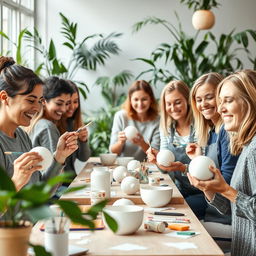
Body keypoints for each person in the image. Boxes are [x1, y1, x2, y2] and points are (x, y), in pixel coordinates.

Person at [188, 70, 256, 256]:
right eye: (221, 102)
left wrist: (226, 190)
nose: (220, 109)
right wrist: (207, 187)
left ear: (249, 101)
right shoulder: (247, 146)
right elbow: (232, 208)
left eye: (228, 100)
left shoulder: (254, 149)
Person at [0, 56, 78, 191]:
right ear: (5, 98)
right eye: (30, 100)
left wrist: (59, 156)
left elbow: (40, 192)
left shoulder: (22, 136)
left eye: (40, 101)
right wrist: (16, 183)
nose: (37, 108)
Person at [187, 72, 239, 219]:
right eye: (198, 100)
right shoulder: (211, 132)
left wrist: (200, 173)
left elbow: (227, 182)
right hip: (214, 206)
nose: (203, 104)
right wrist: (197, 160)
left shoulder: (226, 131)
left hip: (226, 215)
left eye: (209, 97)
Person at [146, 80, 199, 197]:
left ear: (188, 100)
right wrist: (157, 160)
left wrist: (181, 167)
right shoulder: (167, 127)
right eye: (168, 104)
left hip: (203, 192)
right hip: (181, 189)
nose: (173, 108)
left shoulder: (199, 126)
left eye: (177, 102)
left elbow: (203, 167)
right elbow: (165, 170)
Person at [26, 77, 78, 176]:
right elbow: (54, 174)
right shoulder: (48, 127)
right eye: (59, 103)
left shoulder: (34, 123)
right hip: (54, 189)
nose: (63, 109)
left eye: (66, 104)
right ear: (44, 101)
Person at [109, 80, 160, 161]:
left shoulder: (157, 120)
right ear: (130, 100)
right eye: (136, 99)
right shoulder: (121, 117)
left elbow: (157, 155)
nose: (140, 104)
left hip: (148, 167)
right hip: (124, 166)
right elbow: (113, 152)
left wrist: (142, 143)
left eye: (144, 99)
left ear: (151, 100)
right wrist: (120, 142)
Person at [57, 80, 90, 177]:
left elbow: (84, 158)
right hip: (61, 184)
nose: (72, 106)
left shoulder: (72, 123)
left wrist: (83, 141)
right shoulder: (52, 127)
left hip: (71, 180)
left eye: (75, 102)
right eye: (68, 103)